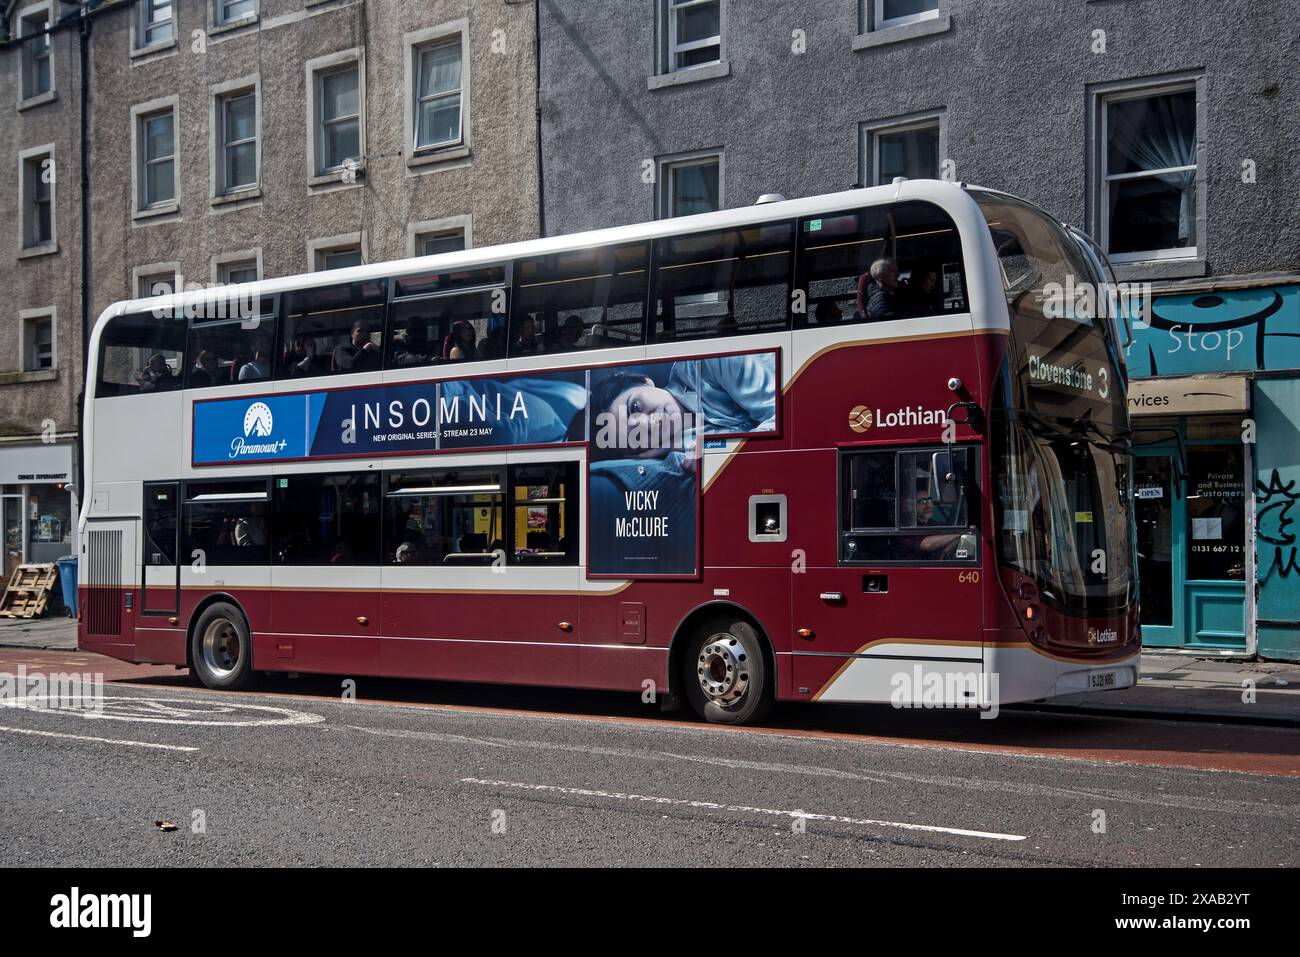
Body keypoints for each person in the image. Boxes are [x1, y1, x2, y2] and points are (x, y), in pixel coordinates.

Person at [858, 258, 907, 322]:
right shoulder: (880, 301)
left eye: (896, 271)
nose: (898, 274)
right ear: (880, 276)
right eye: (892, 271)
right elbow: (893, 325)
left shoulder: (888, 294)